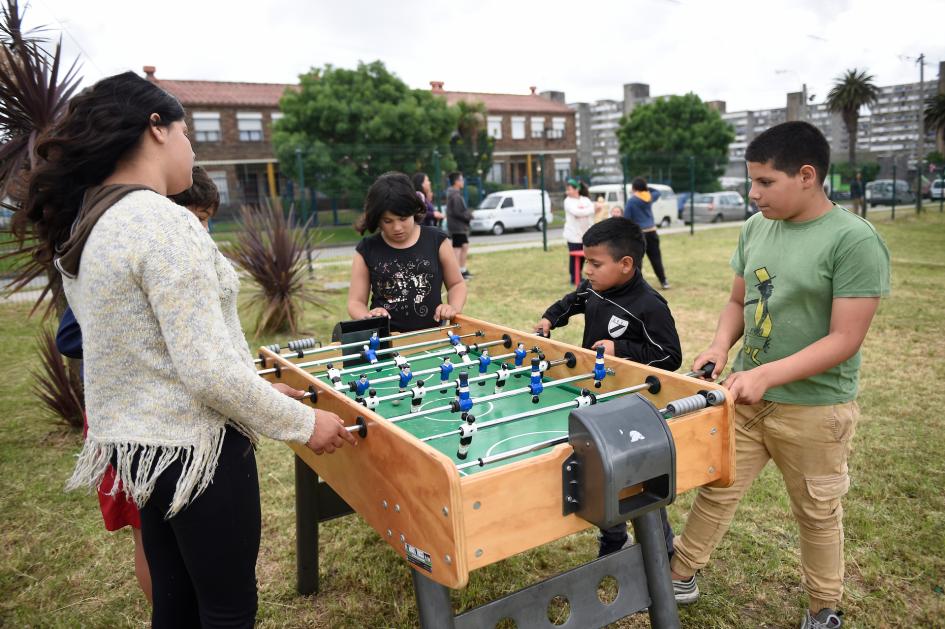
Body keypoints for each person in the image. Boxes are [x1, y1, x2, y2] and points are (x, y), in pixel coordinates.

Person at [20, 71, 354, 628]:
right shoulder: (164, 224)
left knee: (175, 609)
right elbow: (207, 373)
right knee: (226, 612)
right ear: (155, 129)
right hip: (199, 458)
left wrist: (259, 384)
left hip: (143, 454)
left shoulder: (94, 223)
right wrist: (303, 423)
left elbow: (152, 351)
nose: (191, 149)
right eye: (187, 133)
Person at [668, 121, 890, 629]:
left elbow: (844, 339)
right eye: (752, 181)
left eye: (765, 182)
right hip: (746, 396)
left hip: (815, 409)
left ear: (807, 175)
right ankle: (680, 573)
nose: (753, 193)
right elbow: (735, 301)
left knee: (817, 512)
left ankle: (823, 608)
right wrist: (721, 345)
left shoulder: (854, 241)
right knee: (717, 487)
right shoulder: (755, 227)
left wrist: (767, 375)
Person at [52, 165, 225, 605]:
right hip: (129, 421)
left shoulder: (182, 253)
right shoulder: (125, 253)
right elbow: (70, 336)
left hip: (181, 422)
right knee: (149, 535)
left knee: (189, 537)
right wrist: (145, 338)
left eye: (207, 219)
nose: (202, 228)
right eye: (195, 217)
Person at [534, 217, 682, 558]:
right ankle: (613, 537)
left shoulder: (650, 305)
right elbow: (571, 302)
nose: (587, 270)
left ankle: (661, 548)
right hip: (596, 401)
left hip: (631, 411)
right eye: (586, 261)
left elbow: (670, 356)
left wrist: (622, 352)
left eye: (595, 263)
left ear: (626, 264)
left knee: (637, 478)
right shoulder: (594, 289)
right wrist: (549, 318)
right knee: (599, 473)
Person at [348, 171, 467, 332]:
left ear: (414, 210)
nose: (397, 228)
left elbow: (456, 284)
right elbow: (355, 302)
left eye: (403, 219)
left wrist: (452, 307)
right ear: (377, 219)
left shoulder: (437, 240)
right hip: (386, 341)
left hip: (433, 337)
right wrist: (370, 317)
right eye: (388, 221)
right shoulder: (367, 249)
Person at [624, 177, 670, 289]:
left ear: (634, 188)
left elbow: (627, 219)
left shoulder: (631, 201)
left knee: (637, 260)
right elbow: (657, 192)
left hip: (640, 234)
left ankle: (638, 285)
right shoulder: (649, 197)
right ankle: (664, 281)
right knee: (656, 258)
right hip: (652, 232)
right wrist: (645, 187)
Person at [563, 178, 595, 284]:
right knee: (574, 257)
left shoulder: (585, 200)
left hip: (585, 234)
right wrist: (590, 210)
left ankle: (579, 276)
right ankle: (574, 278)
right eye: (566, 189)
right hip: (573, 235)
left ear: (576, 189)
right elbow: (576, 212)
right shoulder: (567, 201)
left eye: (569, 189)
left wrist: (587, 211)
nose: (567, 192)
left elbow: (590, 210)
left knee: (582, 257)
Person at [446, 171, 473, 279]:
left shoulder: (454, 194)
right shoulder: (455, 195)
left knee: (463, 246)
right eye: (461, 179)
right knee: (458, 249)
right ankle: (458, 273)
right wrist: (469, 216)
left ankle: (462, 270)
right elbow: (457, 212)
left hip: (458, 226)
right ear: (456, 182)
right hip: (457, 227)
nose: (463, 182)